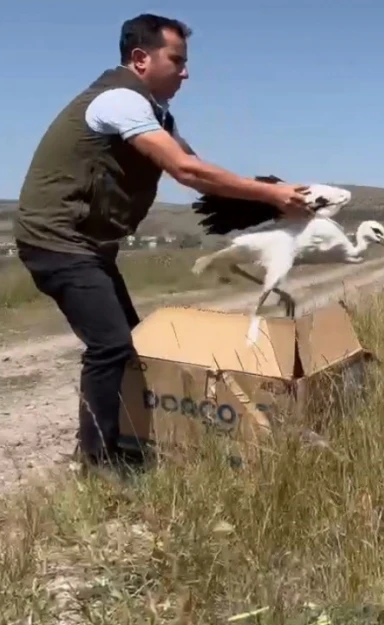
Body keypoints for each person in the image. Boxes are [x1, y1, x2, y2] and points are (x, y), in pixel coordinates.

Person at [13, 13, 313, 480]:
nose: (186, 72)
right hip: (57, 241)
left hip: (88, 246)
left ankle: (128, 440)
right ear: (140, 58)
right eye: (177, 60)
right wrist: (271, 196)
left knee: (133, 345)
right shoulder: (118, 102)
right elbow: (185, 172)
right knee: (111, 346)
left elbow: (198, 170)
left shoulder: (154, 114)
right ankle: (98, 464)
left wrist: (276, 194)